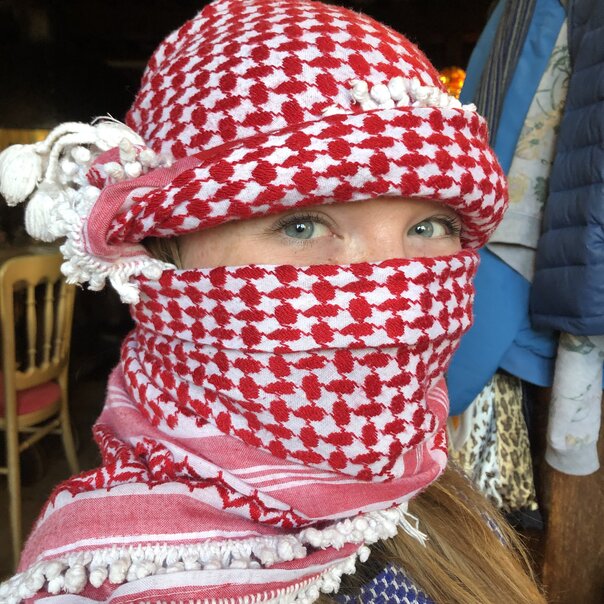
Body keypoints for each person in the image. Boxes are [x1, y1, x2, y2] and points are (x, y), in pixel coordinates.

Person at [0, 0, 545, 602]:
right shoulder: (105, 579)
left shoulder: (432, 477)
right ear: (161, 256)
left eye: (429, 226)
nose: (392, 298)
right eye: (301, 225)